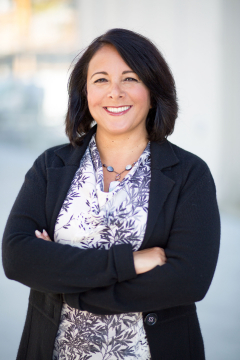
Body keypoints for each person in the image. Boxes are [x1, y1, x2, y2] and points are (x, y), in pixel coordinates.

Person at [2, 28, 220, 360]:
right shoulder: (51, 166)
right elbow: (18, 256)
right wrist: (129, 262)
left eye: (130, 78)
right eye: (101, 80)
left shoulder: (190, 174)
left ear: (152, 89)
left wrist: (66, 285)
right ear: (85, 92)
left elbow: (188, 280)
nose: (114, 93)